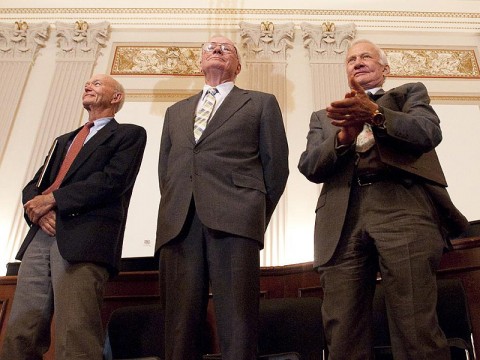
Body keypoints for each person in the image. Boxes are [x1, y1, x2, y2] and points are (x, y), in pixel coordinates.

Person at [298, 39, 468, 360]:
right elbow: (309, 166)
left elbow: (427, 133)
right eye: (351, 60)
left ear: (385, 69)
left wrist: (376, 114)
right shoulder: (325, 117)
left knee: (415, 325)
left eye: (366, 57)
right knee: (343, 330)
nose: (358, 62)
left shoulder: (408, 95)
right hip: (341, 219)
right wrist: (342, 138)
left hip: (402, 207)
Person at [155, 35, 289, 360]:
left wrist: (250, 214)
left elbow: (276, 168)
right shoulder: (175, 111)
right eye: (210, 48)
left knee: (238, 326)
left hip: (235, 222)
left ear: (238, 65)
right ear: (200, 63)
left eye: (226, 48)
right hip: (179, 225)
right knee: (179, 329)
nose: (217, 50)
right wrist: (179, 204)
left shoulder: (260, 102)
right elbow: (166, 171)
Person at [0, 74, 147, 360]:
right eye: (87, 84)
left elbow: (113, 180)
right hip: (41, 236)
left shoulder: (129, 134)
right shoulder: (63, 140)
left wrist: (54, 200)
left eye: (97, 84)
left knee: (75, 332)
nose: (88, 86)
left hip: (85, 237)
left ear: (116, 97)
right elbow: (36, 183)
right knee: (21, 329)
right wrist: (39, 213)